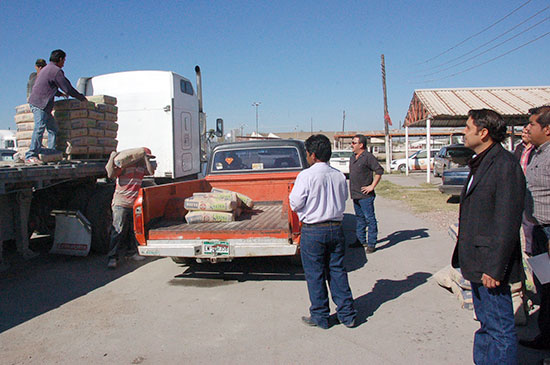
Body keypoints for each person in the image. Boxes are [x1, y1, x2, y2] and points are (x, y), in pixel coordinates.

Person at [451, 109, 525, 364]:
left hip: (490, 265)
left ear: (483, 133)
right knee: (485, 324)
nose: (464, 132)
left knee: (500, 329)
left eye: (467, 128)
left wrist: (495, 268)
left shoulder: (505, 164)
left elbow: (507, 220)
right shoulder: (481, 161)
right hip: (476, 260)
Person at [289, 134, 356, 329]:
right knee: (337, 271)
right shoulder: (338, 175)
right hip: (336, 228)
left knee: (315, 273)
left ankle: (320, 316)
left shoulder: (306, 176)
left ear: (313, 155)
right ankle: (347, 315)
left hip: (314, 230)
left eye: (308, 153)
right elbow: (343, 199)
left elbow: (295, 202)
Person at [520, 105, 550, 352]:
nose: (527, 128)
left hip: (549, 231)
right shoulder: (537, 152)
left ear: (547, 129)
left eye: (532, 124)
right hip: (538, 230)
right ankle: (546, 335)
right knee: (545, 286)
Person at [26, 49, 87, 164]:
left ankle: (51, 153)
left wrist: (59, 94)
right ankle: (31, 155)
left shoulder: (47, 69)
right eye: (64, 60)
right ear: (60, 59)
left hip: (40, 103)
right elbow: (67, 87)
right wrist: (81, 98)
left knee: (53, 129)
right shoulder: (55, 71)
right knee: (39, 128)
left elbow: (48, 85)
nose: (64, 63)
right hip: (40, 104)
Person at [105, 148, 156, 269]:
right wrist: (112, 157)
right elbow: (110, 173)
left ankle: (132, 252)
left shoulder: (141, 169)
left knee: (133, 230)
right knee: (118, 230)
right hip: (120, 204)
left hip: (133, 204)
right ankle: (113, 257)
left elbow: (151, 171)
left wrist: (146, 159)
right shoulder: (124, 167)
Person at [349, 134, 384, 253]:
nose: (351, 145)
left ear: (361, 145)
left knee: (370, 219)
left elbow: (379, 171)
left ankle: (371, 243)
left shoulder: (368, 157)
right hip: (355, 194)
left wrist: (372, 186)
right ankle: (360, 240)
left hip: (366, 196)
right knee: (360, 219)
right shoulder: (353, 157)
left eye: (354, 143)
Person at [514, 125, 535, 255]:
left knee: (530, 220)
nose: (524, 134)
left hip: (531, 187)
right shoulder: (519, 148)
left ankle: (531, 247)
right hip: (519, 186)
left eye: (527, 132)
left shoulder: (536, 150)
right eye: (522, 132)